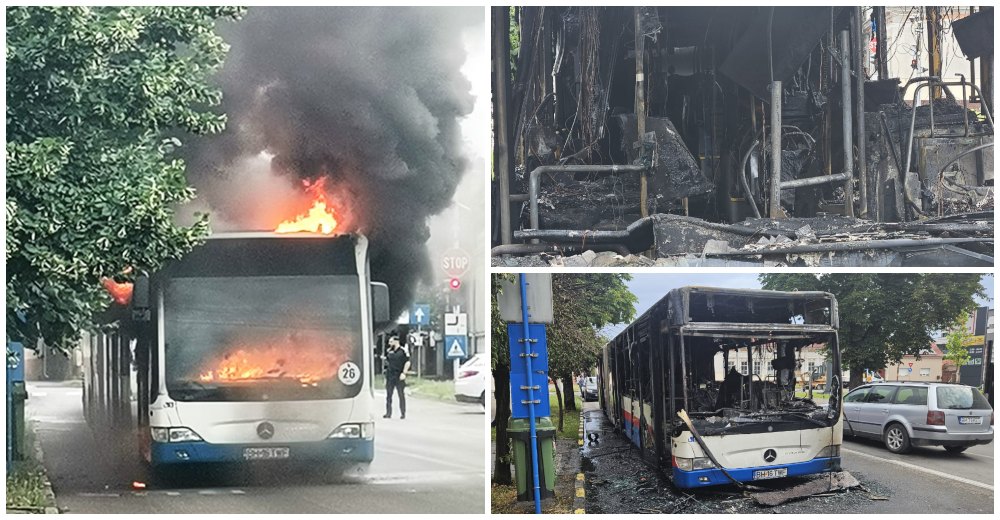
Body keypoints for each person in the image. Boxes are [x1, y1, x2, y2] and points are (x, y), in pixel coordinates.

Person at [383, 336, 410, 419]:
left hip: (399, 375)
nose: (389, 343)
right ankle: (388, 413)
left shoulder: (403, 351)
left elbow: (407, 362)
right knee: (389, 395)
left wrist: (404, 373)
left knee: (401, 395)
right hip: (390, 375)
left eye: (391, 342)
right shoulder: (389, 351)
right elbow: (387, 362)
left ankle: (403, 413)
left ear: (396, 341)